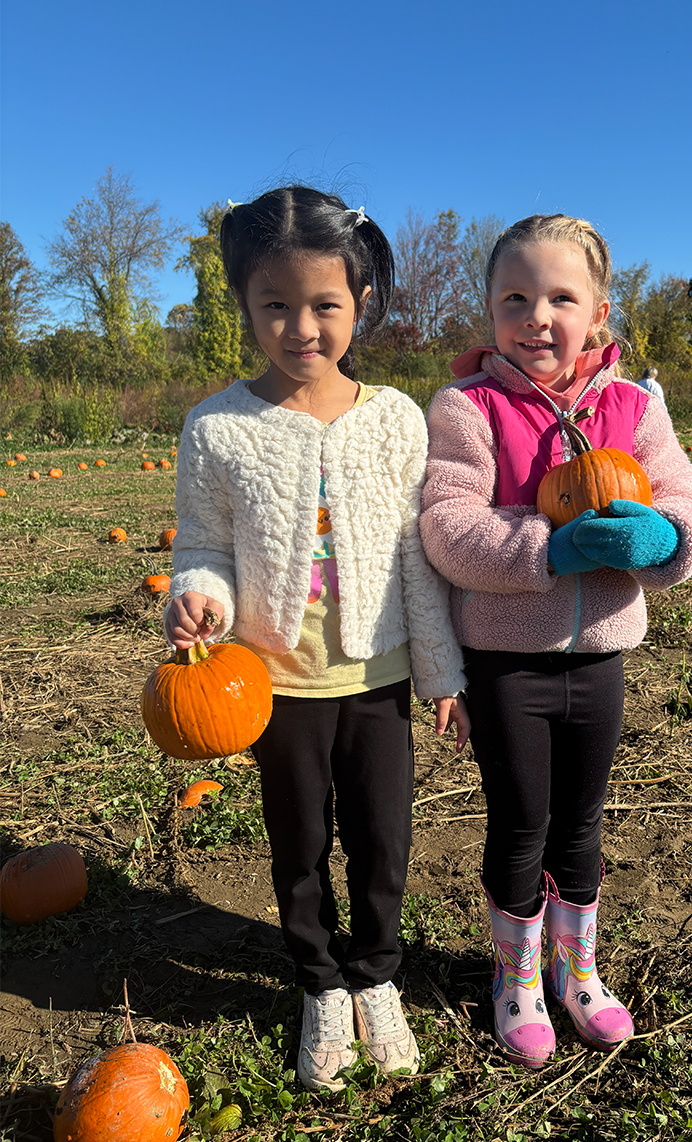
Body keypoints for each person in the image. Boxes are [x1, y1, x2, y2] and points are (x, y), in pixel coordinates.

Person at [165, 187, 468, 1092]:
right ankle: (319, 984)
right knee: (297, 844)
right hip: (276, 683)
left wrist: (440, 669)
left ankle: (376, 977)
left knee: (383, 839)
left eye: (325, 305)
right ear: (246, 306)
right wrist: (200, 596)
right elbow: (205, 544)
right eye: (276, 306)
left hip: (376, 681)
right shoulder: (217, 428)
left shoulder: (395, 420)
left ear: (360, 301)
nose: (302, 328)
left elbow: (418, 560)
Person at [420, 215, 692, 1068]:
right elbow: (448, 526)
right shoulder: (468, 409)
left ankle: (576, 971)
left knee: (582, 823)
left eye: (560, 297)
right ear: (488, 311)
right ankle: (515, 979)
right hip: (507, 662)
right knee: (520, 825)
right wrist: (550, 548)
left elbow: (685, 498)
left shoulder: (634, 406)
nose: (536, 315)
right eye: (515, 297)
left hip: (603, 658)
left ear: (599, 312)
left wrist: (668, 541)